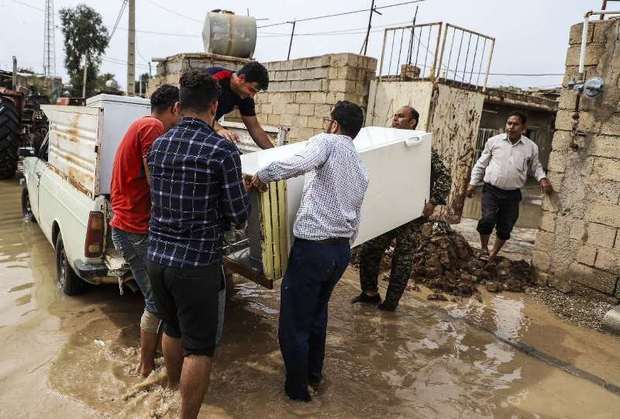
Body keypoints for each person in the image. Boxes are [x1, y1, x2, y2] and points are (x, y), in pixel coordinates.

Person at [146, 69, 250, 419]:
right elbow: (238, 215)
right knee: (200, 350)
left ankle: (174, 391)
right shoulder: (222, 150)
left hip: (157, 257)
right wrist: (242, 190)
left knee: (172, 329)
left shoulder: (159, 145)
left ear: (179, 105)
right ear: (215, 106)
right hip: (196, 264)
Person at [251, 101, 368, 402]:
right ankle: (314, 377)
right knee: (317, 315)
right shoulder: (359, 163)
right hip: (340, 251)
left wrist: (262, 175)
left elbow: (296, 163)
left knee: (294, 323)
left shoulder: (326, 142)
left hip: (313, 250)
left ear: (334, 125)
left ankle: (297, 394)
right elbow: (356, 212)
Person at [110, 84, 180, 377]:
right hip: (133, 228)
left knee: (161, 297)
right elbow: (157, 181)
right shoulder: (151, 126)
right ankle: (146, 364)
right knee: (156, 299)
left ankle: (155, 357)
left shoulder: (142, 124)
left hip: (131, 224)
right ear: (175, 108)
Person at [351, 105, 451, 311]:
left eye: (400, 116)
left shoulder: (422, 149)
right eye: (394, 115)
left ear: (412, 122)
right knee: (370, 250)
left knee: (403, 258)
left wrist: (433, 202)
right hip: (386, 209)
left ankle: (391, 303)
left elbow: (444, 177)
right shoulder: (385, 143)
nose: (395, 119)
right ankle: (369, 293)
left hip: (411, 213)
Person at [466, 111, 553, 261]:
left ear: (524, 128)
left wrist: (542, 179)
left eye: (515, 124)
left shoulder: (531, 147)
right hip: (491, 190)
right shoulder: (494, 141)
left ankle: (493, 254)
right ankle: (484, 248)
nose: (511, 127)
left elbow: (536, 166)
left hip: (512, 194)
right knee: (487, 220)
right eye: (509, 123)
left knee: (505, 226)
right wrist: (473, 183)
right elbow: (481, 164)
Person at [207, 62, 274, 149]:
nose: (252, 95)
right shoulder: (215, 79)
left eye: (255, 92)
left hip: (208, 127)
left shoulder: (245, 97)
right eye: (251, 90)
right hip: (188, 125)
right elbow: (198, 111)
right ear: (241, 78)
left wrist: (273, 153)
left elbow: (254, 128)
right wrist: (219, 129)